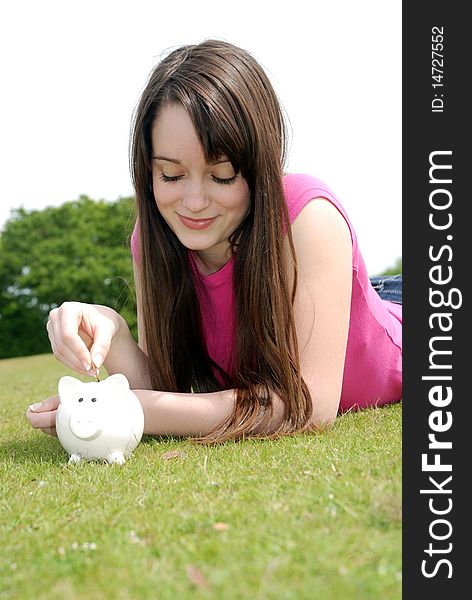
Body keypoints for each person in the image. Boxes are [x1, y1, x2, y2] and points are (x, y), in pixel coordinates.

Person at [26, 39, 402, 443]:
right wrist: (114, 332)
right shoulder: (152, 238)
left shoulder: (307, 216)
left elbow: (309, 404)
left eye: (221, 175)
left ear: (259, 166)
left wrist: (136, 408)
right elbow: (165, 387)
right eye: (170, 175)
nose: (193, 203)